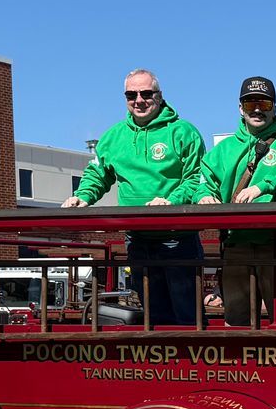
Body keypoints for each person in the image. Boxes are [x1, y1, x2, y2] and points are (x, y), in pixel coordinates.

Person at [63, 68, 210, 325]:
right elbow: (98, 175)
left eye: (145, 93)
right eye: (131, 95)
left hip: (178, 238)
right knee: (153, 316)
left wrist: (171, 202)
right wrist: (83, 196)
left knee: (188, 316)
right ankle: (162, 365)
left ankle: (192, 365)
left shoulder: (184, 132)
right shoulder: (113, 137)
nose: (139, 100)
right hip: (138, 239)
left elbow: (196, 178)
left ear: (160, 95)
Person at [198, 75, 276, 326]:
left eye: (265, 104)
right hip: (235, 245)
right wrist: (205, 196)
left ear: (275, 108)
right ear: (240, 108)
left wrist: (263, 186)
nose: (258, 109)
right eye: (250, 104)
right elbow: (203, 181)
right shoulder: (223, 150)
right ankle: (239, 366)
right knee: (236, 321)